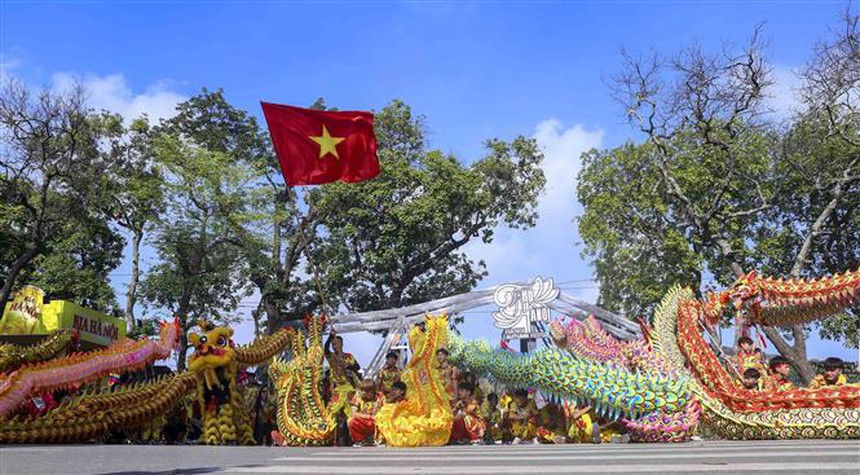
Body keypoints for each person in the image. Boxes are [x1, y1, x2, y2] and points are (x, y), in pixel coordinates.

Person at [325, 329, 361, 446]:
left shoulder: (348, 356)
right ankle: (330, 439)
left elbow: (357, 367)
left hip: (349, 389)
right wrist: (330, 337)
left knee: (351, 415)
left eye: (336, 343)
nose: (334, 346)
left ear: (341, 344)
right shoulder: (331, 357)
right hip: (338, 390)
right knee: (330, 413)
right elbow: (325, 349)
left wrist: (348, 366)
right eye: (332, 344)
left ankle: (353, 439)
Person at [348, 379, 379, 447]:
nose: (363, 393)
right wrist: (368, 417)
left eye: (366, 391)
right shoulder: (358, 396)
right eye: (362, 390)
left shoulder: (379, 397)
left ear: (372, 391)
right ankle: (360, 441)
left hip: (376, 422)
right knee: (351, 421)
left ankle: (379, 440)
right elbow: (354, 413)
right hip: (364, 421)